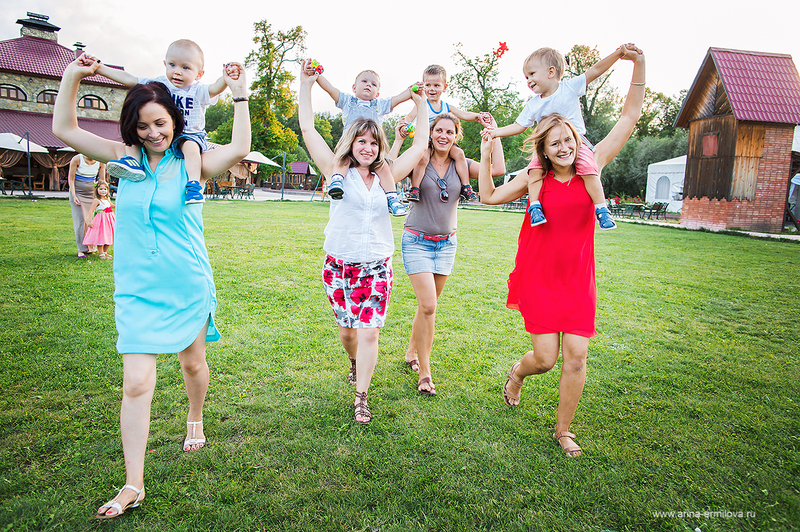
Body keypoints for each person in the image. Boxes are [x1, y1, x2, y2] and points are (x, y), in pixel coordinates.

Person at [53, 55, 250, 518]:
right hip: (137, 289)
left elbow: (240, 146)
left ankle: (195, 415)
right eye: (142, 126)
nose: (152, 133)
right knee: (137, 382)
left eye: (160, 123)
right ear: (132, 127)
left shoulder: (193, 162)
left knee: (192, 363)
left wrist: (240, 93)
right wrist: (73, 75)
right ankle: (133, 484)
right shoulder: (124, 160)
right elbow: (64, 128)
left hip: (187, 283)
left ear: (175, 120)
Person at [477, 46, 645, 457]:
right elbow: (489, 196)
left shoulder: (593, 165)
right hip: (540, 279)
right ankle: (518, 374)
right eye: (554, 143)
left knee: (576, 357)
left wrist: (638, 64)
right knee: (545, 359)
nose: (564, 147)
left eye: (568, 139)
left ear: (576, 140)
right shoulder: (533, 177)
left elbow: (629, 117)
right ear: (545, 149)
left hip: (577, 281)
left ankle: (563, 430)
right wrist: (485, 151)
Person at [298, 59, 429, 424]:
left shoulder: (390, 173)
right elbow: (308, 128)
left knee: (369, 332)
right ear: (351, 143)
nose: (368, 148)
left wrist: (421, 105)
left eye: (374, 142)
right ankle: (353, 361)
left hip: (376, 266)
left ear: (380, 146)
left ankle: (361, 397)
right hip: (338, 266)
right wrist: (306, 85)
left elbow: (420, 144)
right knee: (348, 333)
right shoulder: (334, 170)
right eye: (361, 141)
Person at [390, 113, 506, 395]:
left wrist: (495, 133)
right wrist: (398, 140)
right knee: (429, 306)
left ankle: (411, 352)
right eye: (438, 130)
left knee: (426, 306)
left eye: (449, 132)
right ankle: (425, 373)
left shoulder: (461, 163)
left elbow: (499, 169)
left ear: (456, 136)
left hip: (446, 244)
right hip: (416, 241)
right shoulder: (419, 158)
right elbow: (389, 171)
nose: (443, 136)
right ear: (431, 133)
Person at [484, 45, 638, 230]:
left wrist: (618, 53)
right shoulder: (533, 104)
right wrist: (495, 132)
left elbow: (596, 70)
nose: (529, 80)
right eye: (526, 77)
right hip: (546, 148)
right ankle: (535, 207)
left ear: (551, 72)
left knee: (589, 170)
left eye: (532, 74)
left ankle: (601, 209)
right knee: (534, 170)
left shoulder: (569, 88)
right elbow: (519, 126)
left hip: (578, 144)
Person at [88, 40, 241, 204]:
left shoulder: (198, 90)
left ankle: (194, 185)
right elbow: (130, 79)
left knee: (191, 149)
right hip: (165, 133)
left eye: (185, 67)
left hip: (189, 134)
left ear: (199, 74)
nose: (177, 72)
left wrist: (226, 78)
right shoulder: (160, 84)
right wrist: (100, 68)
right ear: (165, 64)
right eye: (172, 65)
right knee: (138, 134)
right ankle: (133, 163)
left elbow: (215, 88)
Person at [307, 62, 419, 216]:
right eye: (364, 81)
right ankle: (337, 180)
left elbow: (398, 98)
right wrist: (317, 75)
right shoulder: (347, 101)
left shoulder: (379, 105)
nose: (368, 85)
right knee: (343, 159)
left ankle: (392, 198)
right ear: (354, 87)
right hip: (350, 146)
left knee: (384, 168)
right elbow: (330, 89)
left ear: (377, 93)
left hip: (371, 152)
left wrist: (412, 90)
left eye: (373, 84)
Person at [402, 65, 489, 203]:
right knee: (423, 158)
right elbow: (408, 118)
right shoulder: (421, 104)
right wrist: (405, 126)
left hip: (443, 141)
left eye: (436, 85)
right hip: (426, 142)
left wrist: (478, 116)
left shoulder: (446, 107)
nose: (432, 89)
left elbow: (463, 114)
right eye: (428, 85)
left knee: (459, 154)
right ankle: (415, 188)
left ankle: (466, 187)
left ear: (444, 87)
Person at [67, 153, 106, 258]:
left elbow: (102, 181)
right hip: (78, 192)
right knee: (80, 220)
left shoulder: (100, 161)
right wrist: (74, 195)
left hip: (91, 193)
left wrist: (102, 197)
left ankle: (91, 248)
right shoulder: (77, 159)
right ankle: (81, 249)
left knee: (91, 220)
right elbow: (71, 179)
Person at [82, 182, 115, 259]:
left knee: (109, 235)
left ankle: (105, 252)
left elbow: (111, 205)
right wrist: (89, 220)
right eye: (101, 189)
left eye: (105, 189)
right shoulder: (97, 200)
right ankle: (101, 253)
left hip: (109, 219)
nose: (103, 191)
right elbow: (91, 210)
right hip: (101, 220)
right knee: (101, 236)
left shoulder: (107, 198)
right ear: (97, 190)